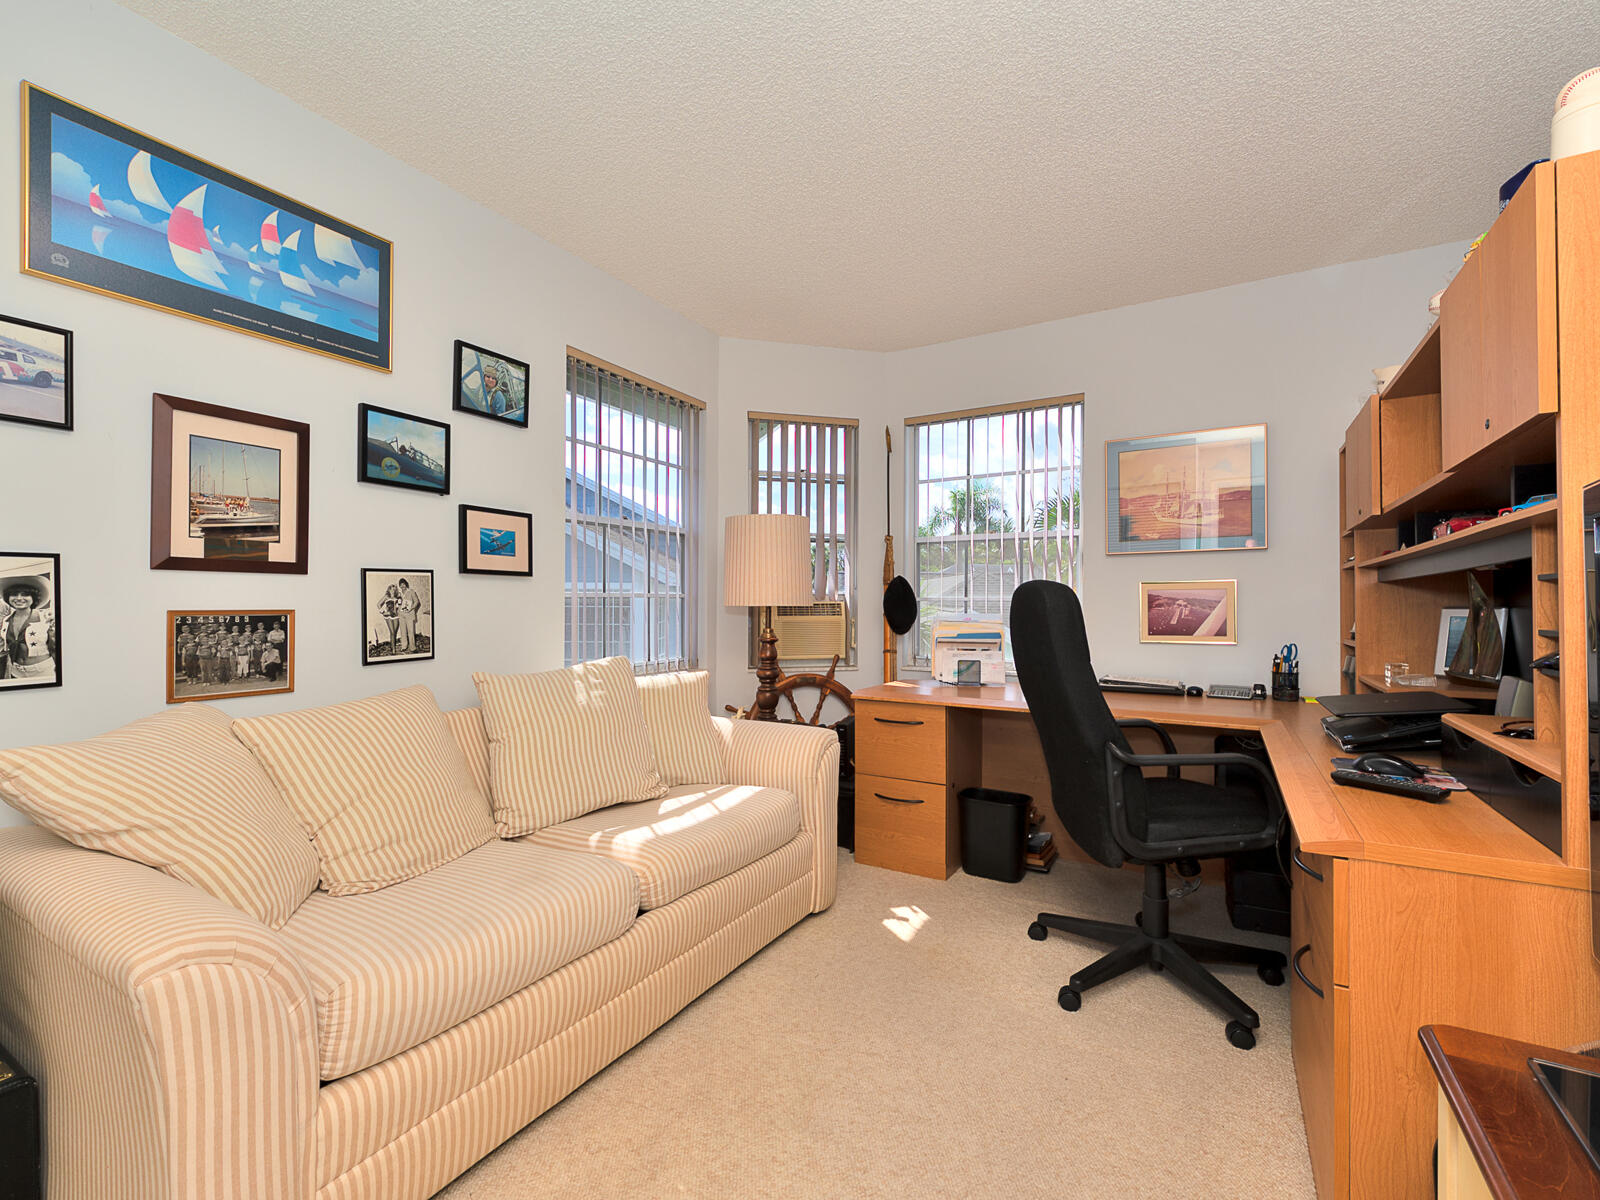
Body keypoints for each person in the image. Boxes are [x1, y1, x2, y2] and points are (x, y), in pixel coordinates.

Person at [2, 574, 56, 682]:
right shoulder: (6, 620)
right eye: (14, 594)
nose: (19, 598)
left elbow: (56, 648)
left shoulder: (45, 618)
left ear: (33, 597)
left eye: (25, 594)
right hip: (15, 672)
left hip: (43, 672)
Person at [378, 585, 401, 653]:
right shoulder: (386, 596)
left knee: (394, 632)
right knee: (392, 632)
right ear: (389, 590)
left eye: (394, 589)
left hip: (396, 616)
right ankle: (393, 649)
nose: (392, 591)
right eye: (391, 589)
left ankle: (392, 645)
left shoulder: (397, 597)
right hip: (388, 616)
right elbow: (378, 604)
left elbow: (399, 606)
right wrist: (383, 612)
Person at [398, 579, 419, 653]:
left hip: (409, 614)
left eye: (403, 584)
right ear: (399, 585)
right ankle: (404, 646)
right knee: (403, 631)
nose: (402, 586)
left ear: (406, 584)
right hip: (401, 614)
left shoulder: (411, 591)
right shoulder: (399, 593)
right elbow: (398, 603)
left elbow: (416, 602)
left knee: (411, 631)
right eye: (400, 584)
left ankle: (413, 647)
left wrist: (411, 608)